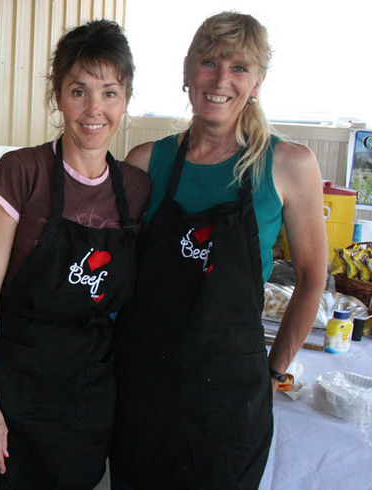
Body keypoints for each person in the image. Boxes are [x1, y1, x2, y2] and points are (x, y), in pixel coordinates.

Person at [111, 11, 327, 490]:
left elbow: (313, 277)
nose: (221, 79)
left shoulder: (288, 165)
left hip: (231, 399)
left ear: (258, 81)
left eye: (239, 68)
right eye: (209, 62)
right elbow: (116, 276)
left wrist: (275, 370)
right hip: (144, 388)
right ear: (188, 71)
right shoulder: (146, 162)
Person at [0, 19, 150, 490]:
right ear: (57, 95)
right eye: (79, 91)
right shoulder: (22, 172)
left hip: (83, 404)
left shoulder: (135, 190)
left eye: (110, 92)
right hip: (7, 391)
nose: (94, 109)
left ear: (126, 98)